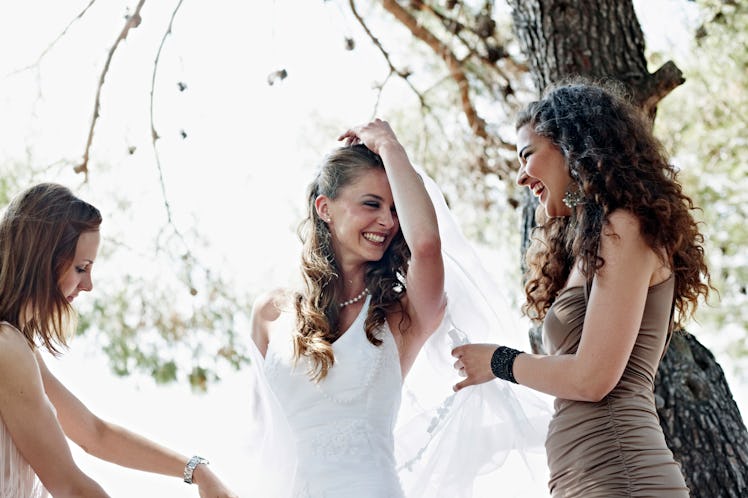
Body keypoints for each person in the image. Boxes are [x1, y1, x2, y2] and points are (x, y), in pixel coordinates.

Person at [452, 79, 712, 497]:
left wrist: (497, 361)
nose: (521, 177)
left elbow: (592, 379)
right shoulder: (588, 247)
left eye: (527, 155)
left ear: (571, 145)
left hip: (622, 475)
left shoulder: (624, 227)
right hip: (584, 478)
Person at [0, 183, 238, 498]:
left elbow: (95, 434)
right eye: (80, 268)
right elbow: (70, 486)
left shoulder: (18, 347)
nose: (88, 285)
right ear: (44, 260)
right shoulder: (6, 348)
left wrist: (197, 470)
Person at [250, 119, 447, 498]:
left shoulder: (400, 316)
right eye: (371, 204)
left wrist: (390, 145)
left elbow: (425, 245)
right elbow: (262, 434)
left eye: (394, 209)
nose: (388, 222)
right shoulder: (270, 314)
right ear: (325, 208)